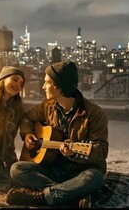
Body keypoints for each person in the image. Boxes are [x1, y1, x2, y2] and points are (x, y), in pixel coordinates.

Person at [6, 60, 108, 208]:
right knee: (17, 169)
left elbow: (101, 151)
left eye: (46, 82)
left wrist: (73, 153)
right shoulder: (47, 107)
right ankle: (69, 195)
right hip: (52, 168)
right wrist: (28, 134)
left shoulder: (94, 113)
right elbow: (27, 118)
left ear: (58, 86)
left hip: (80, 171)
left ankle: (43, 197)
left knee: (95, 177)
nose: (43, 87)